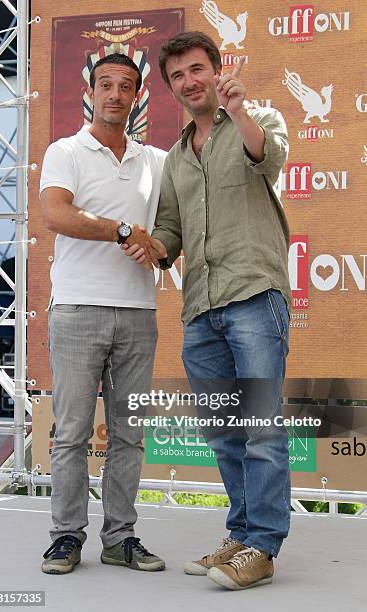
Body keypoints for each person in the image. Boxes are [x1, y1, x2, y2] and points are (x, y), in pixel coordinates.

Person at [123, 32, 292, 590]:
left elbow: (267, 158)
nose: (189, 81)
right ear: (170, 87)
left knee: (261, 428)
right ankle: (240, 535)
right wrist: (150, 245)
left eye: (198, 69)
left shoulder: (257, 117)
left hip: (253, 294)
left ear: (216, 71)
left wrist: (239, 111)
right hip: (200, 308)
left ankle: (263, 547)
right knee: (224, 432)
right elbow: (171, 230)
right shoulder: (174, 158)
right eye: (178, 76)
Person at [39, 53, 167, 575]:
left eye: (126, 86)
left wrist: (160, 247)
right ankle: (66, 536)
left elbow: (170, 230)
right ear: (91, 93)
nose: (115, 94)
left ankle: (120, 538)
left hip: (138, 312)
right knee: (70, 432)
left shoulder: (156, 160)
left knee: (129, 434)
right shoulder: (65, 150)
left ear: (138, 96)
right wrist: (121, 231)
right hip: (75, 308)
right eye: (106, 84)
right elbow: (55, 212)